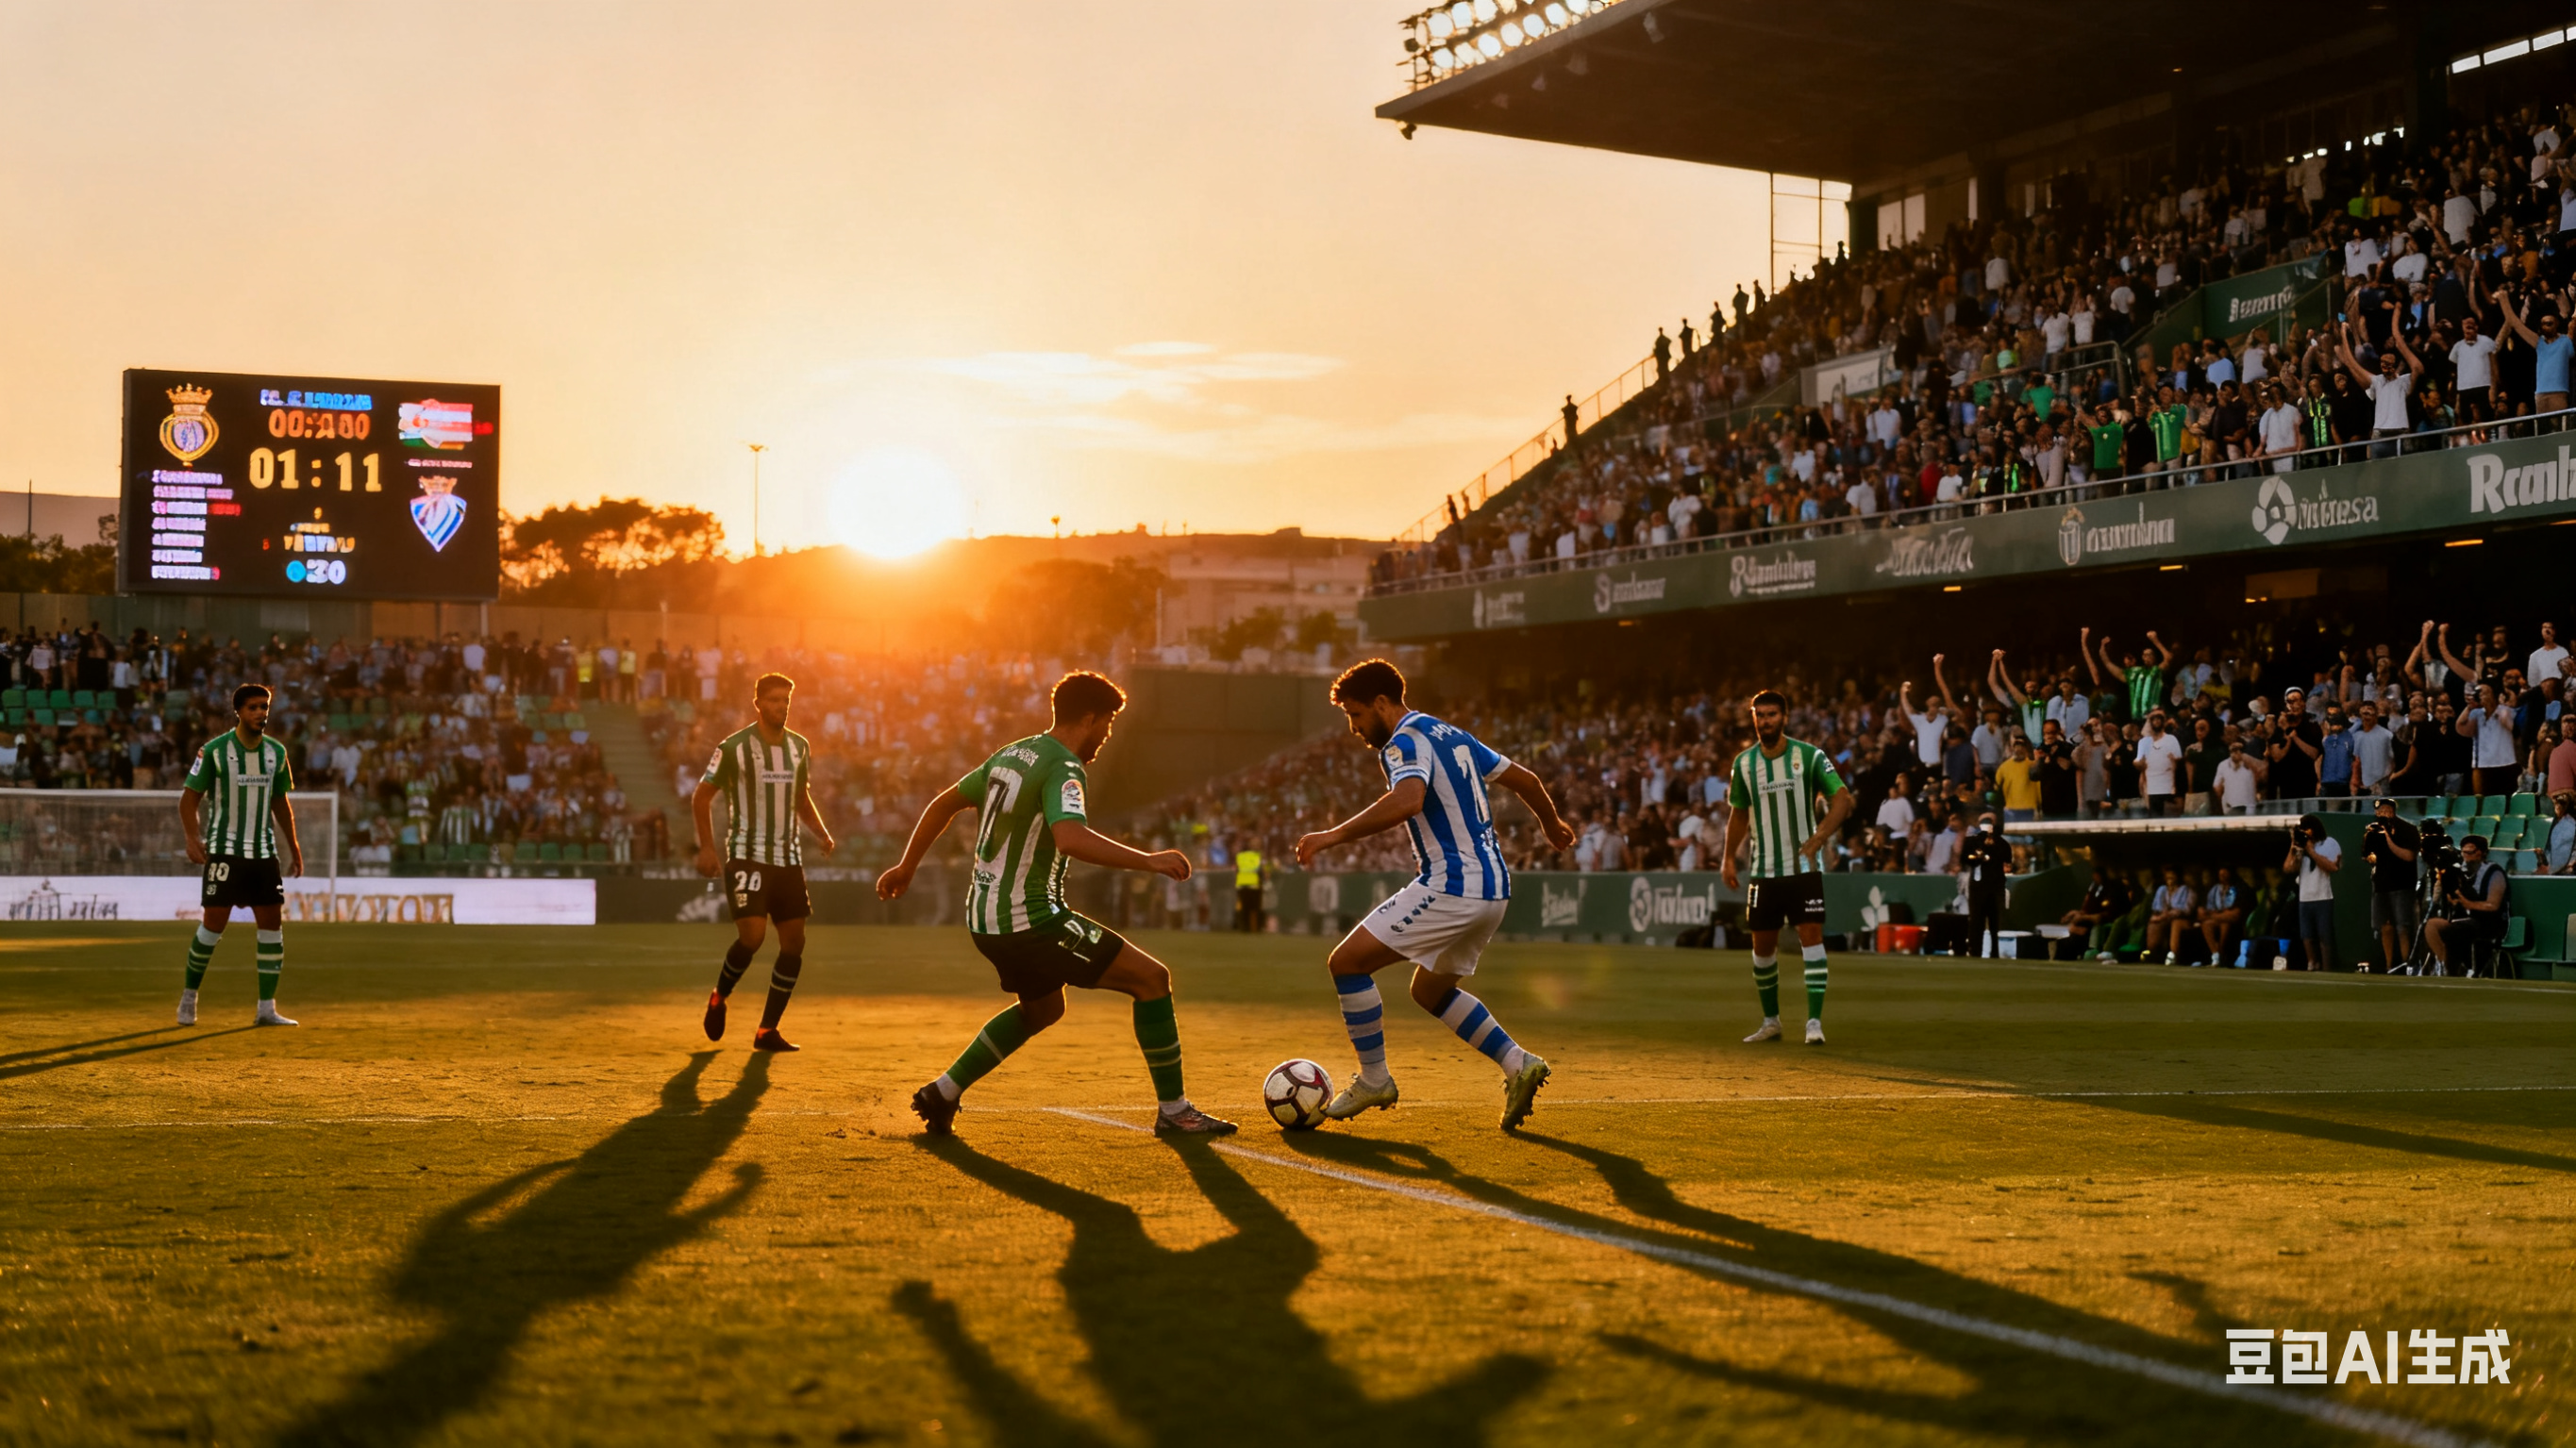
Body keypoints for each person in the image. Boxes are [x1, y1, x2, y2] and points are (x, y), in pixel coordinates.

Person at [879, 671, 1233, 1136]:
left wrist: (906, 866)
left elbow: (943, 803)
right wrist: (1149, 860)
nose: (1106, 737)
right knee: (1152, 979)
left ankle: (942, 1093)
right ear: (1089, 718)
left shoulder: (1013, 753)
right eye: (1106, 724)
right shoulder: (1064, 766)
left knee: (1044, 1010)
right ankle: (1175, 1112)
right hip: (1030, 920)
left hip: (985, 918)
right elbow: (1069, 839)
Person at [1295, 662, 1572, 1131]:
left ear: (1383, 703)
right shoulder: (1455, 736)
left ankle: (1375, 1078)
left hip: (1453, 886)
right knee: (1429, 990)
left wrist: (1332, 835)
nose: (1356, 728)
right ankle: (1518, 1063)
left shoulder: (1404, 740)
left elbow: (1408, 801)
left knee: (1346, 963)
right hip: (1495, 889)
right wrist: (1552, 826)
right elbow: (1526, 779)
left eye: (1357, 714)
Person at [694, 673, 835, 1053]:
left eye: (786, 701)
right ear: (758, 704)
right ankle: (719, 996)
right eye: (774, 701)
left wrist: (821, 833)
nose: (781, 707)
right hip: (747, 856)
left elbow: (801, 799)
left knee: (794, 943)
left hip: (788, 859)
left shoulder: (799, 748)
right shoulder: (734, 748)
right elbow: (701, 797)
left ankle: (766, 1031)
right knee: (752, 937)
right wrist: (707, 848)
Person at [1722, 689, 1855, 1044]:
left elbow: (1843, 799)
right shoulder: (1744, 764)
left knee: (1811, 938)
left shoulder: (1809, 757)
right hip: (1763, 870)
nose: (1764, 721)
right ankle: (1771, 1022)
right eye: (1759, 715)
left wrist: (1821, 836)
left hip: (1804, 869)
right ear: (1754, 719)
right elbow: (1738, 813)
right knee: (1762, 949)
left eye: (1771, 715)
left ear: (1785, 717)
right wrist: (1727, 857)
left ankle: (1814, 1023)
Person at [176, 683, 305, 1028]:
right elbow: (188, 799)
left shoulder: (277, 753)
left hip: (263, 854)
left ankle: (266, 1008)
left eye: (265, 707)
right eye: (253, 707)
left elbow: (281, 803)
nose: (261, 713)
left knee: (272, 927)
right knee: (213, 927)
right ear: (239, 712)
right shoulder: (214, 752)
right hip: (224, 852)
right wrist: (192, 838)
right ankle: (189, 998)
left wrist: (293, 847)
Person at [2423, 833, 2511, 976]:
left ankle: (2457, 968)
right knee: (2432, 926)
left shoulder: (2494, 872)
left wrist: (2468, 904)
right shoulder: (2462, 874)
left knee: (2454, 931)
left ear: (2482, 853)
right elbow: (2458, 900)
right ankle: (2444, 964)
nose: (2467, 855)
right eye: (2464, 852)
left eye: (2471, 852)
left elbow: (2493, 905)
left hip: (2490, 923)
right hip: (2466, 920)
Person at [2361, 795, 2420, 974]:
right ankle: (2389, 965)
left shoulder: (2407, 830)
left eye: (2387, 810)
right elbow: (2366, 854)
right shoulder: (2372, 831)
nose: (2383, 814)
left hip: (2402, 885)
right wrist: (2372, 859)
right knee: (2385, 926)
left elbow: (2409, 856)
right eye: (2380, 811)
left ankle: (2406, 964)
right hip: (2382, 884)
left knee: (2403, 925)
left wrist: (2387, 836)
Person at [2285, 813, 2342, 971]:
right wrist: (2293, 848)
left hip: (2322, 896)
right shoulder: (2301, 848)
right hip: (2305, 897)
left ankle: (2327, 967)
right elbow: (2288, 868)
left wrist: (2311, 850)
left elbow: (2332, 867)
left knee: (2324, 936)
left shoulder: (2328, 843)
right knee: (2307, 936)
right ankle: (2312, 963)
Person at [1960, 812, 2013, 957]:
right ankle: (1984, 951)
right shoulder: (2001, 843)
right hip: (1988, 887)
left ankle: (1985, 951)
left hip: (1988, 886)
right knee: (1983, 921)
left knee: (1987, 922)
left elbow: (1965, 859)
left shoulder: (1976, 842)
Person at [2144, 866, 2197, 965]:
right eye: (2168, 877)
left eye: (2172, 877)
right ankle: (2152, 952)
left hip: (2182, 918)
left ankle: (2173, 955)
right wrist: (2160, 916)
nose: (2170, 880)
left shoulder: (2187, 890)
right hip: (2164, 917)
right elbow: (2158, 908)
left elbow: (2187, 910)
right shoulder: (2162, 890)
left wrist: (2169, 914)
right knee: (2153, 923)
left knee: (2175, 924)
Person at [2196, 866, 2247, 967]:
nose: (2222, 877)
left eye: (2225, 874)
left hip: (2230, 920)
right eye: (2220, 875)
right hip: (2217, 917)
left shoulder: (2238, 889)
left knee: (2225, 924)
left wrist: (2215, 915)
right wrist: (2211, 914)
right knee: (2206, 924)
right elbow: (2209, 909)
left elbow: (2235, 913)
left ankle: (2222, 953)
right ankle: (2215, 955)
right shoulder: (2215, 890)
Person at [1232, 844, 1266, 933]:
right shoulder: (1256, 856)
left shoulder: (1239, 857)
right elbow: (1260, 871)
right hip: (1255, 885)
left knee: (1244, 909)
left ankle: (1244, 928)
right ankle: (1258, 928)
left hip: (1242, 885)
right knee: (1257, 908)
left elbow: (1236, 871)